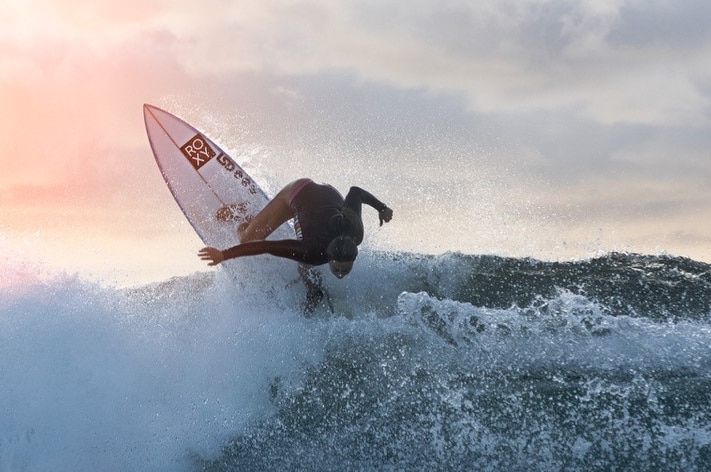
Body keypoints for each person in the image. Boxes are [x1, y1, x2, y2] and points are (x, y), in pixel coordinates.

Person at [198, 178, 393, 280]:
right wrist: (223, 254)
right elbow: (265, 246)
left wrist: (382, 208)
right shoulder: (310, 250)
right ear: (328, 255)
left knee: (306, 261)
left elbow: (355, 193)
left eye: (344, 269)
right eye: (338, 268)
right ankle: (246, 215)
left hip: (329, 194)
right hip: (299, 191)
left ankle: (311, 288)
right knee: (246, 239)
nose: (340, 273)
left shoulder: (355, 233)